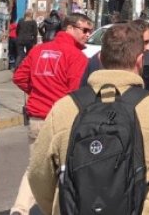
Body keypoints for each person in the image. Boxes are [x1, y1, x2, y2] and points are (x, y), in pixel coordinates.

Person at [27, 23, 149, 215]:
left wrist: (56, 207)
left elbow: (38, 174)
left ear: (100, 58)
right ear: (140, 61)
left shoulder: (64, 107)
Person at [10, 12, 93, 215]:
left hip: (37, 118)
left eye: (90, 31)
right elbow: (77, 94)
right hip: (61, 120)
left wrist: (37, 91)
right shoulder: (77, 57)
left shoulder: (39, 50)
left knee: (35, 168)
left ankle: (20, 209)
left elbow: (20, 77)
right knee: (62, 170)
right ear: (70, 28)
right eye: (84, 30)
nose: (88, 35)